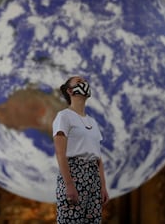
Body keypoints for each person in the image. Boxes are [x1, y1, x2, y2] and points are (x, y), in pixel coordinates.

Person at [52, 76, 109, 223]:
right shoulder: (64, 117)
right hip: (74, 173)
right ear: (70, 91)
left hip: (93, 176)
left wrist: (102, 186)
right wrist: (69, 185)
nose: (84, 84)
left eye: (85, 82)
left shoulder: (92, 122)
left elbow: (98, 157)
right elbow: (60, 153)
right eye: (79, 83)